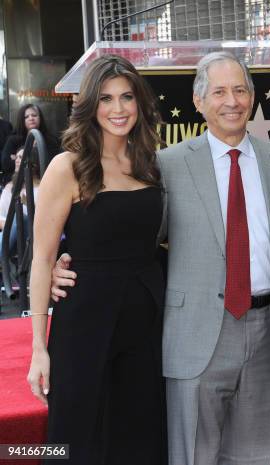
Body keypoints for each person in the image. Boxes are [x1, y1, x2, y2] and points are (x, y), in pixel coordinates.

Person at [52, 51, 270, 465]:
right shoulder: (165, 164)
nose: (232, 101)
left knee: (253, 455)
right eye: (219, 91)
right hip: (194, 336)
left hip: (264, 333)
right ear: (199, 102)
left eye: (240, 90)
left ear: (253, 98)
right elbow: (129, 231)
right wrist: (68, 259)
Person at [27, 55, 166, 464]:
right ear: (90, 105)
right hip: (84, 323)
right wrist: (39, 346)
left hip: (145, 324)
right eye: (106, 98)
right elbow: (41, 258)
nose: (118, 109)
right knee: (76, 440)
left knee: (140, 438)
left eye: (127, 97)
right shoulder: (67, 166)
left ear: (140, 103)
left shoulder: (149, 163)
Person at [1, 104, 59, 184]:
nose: (31, 118)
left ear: (40, 118)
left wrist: (20, 159)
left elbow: (53, 164)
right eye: (26, 117)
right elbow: (5, 164)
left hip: (45, 184)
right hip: (17, 186)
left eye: (34, 115)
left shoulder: (51, 140)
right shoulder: (13, 140)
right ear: (22, 120)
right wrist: (35, 161)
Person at [0, 147, 40, 255]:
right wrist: (15, 227)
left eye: (21, 157)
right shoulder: (10, 187)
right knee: (17, 218)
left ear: (33, 163)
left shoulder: (43, 188)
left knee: (21, 217)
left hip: (34, 237)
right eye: (16, 157)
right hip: (11, 237)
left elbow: (46, 220)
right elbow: (1, 217)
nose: (17, 160)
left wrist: (29, 204)